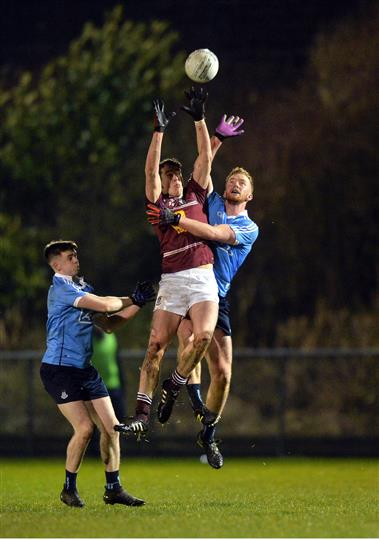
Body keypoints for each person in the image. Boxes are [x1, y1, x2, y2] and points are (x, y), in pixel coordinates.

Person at [147, 114, 259, 468]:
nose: (235, 183)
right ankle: (185, 397)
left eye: (242, 182)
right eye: (232, 179)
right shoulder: (209, 201)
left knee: (224, 372)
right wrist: (214, 134)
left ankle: (208, 433)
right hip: (190, 283)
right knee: (189, 340)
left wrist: (179, 220)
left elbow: (215, 235)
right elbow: (203, 164)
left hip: (217, 291)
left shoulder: (248, 226)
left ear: (250, 194)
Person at [115, 88, 219, 438]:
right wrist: (158, 131)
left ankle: (174, 386)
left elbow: (205, 156)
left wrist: (200, 118)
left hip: (203, 278)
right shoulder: (158, 205)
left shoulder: (195, 195)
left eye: (176, 174)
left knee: (202, 337)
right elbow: (148, 173)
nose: (174, 178)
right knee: (155, 346)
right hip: (173, 279)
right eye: (169, 175)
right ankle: (142, 414)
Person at [40, 240, 155, 507]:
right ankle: (69, 488)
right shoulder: (61, 289)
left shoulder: (82, 288)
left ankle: (113, 489)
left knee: (112, 428)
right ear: (57, 265)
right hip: (59, 370)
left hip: (84, 370)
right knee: (84, 428)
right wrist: (132, 298)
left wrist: (137, 304)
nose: (75, 259)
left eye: (76, 255)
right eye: (70, 257)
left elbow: (110, 324)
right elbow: (105, 305)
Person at [91, 328, 126, 422]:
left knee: (118, 422)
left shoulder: (111, 336)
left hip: (114, 388)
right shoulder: (85, 340)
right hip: (93, 391)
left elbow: (118, 361)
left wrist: (123, 386)